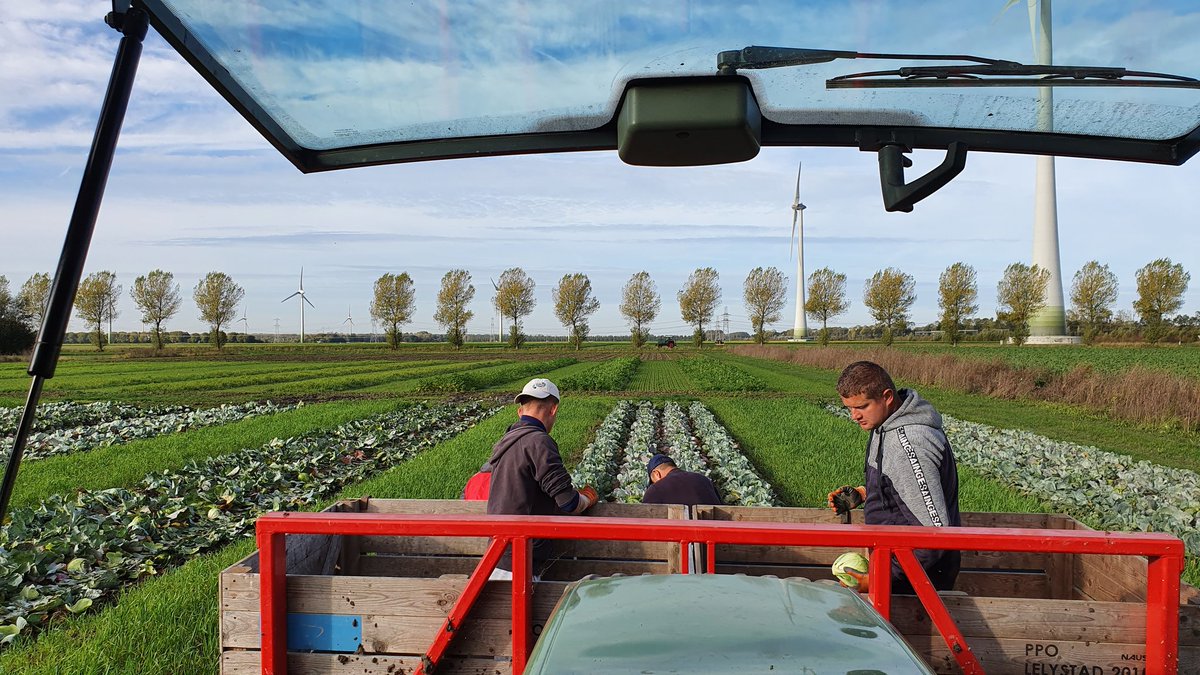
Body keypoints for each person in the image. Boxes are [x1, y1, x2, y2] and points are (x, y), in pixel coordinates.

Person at [828, 361, 960, 594]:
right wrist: (864, 493)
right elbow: (905, 488)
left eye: (862, 406)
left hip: (915, 582)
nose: (854, 416)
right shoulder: (885, 424)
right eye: (849, 408)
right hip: (897, 566)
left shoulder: (909, 444)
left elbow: (933, 534)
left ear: (887, 396)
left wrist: (881, 579)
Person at [486, 377, 598, 580]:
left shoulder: (505, 442)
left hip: (498, 552)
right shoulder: (539, 442)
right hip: (520, 559)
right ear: (553, 409)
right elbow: (569, 503)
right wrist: (587, 498)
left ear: (520, 411)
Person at [642, 454, 722, 506]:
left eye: (653, 481)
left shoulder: (655, 489)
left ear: (656, 474)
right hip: (716, 530)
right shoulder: (704, 479)